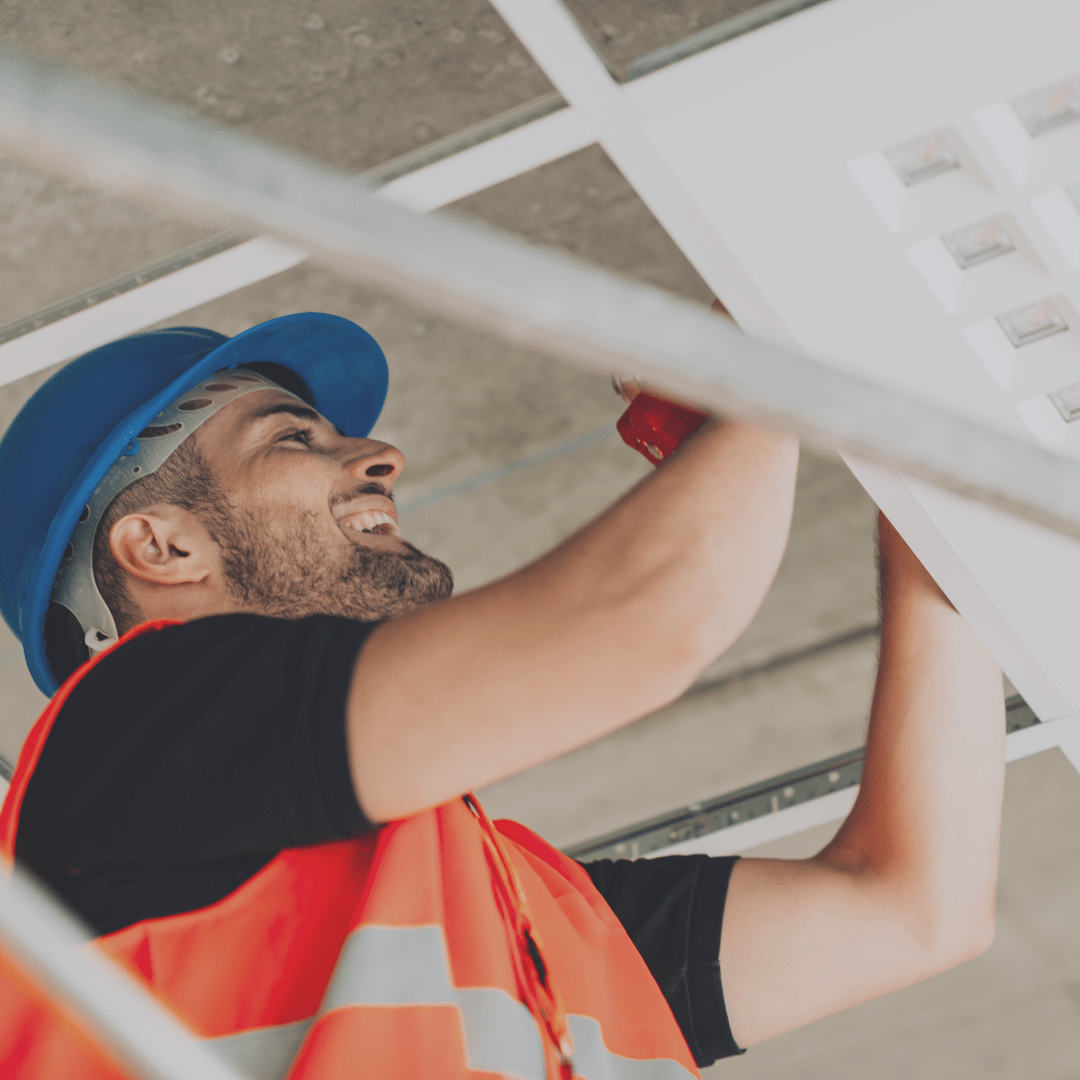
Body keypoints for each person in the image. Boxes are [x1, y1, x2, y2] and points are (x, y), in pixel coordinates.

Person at [0, 310, 1004, 1079]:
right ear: (162, 546)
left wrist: (945, 532)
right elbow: (641, 621)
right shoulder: (127, 739)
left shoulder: (497, 916)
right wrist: (765, 364)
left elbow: (912, 908)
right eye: (292, 440)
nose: (378, 456)